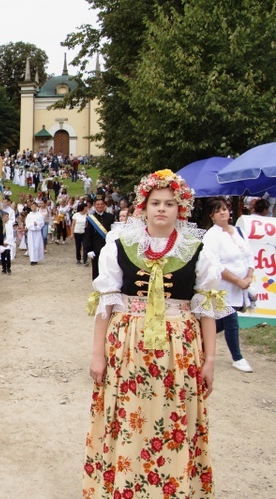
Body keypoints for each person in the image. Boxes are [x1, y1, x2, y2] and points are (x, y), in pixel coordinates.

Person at [84, 170, 225, 497]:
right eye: (155, 202)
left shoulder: (198, 249)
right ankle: (125, 486)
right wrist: (96, 355)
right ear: (143, 207)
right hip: (128, 347)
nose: (162, 209)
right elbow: (105, 306)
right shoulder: (120, 245)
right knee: (130, 417)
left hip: (180, 349)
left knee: (174, 417)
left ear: (181, 209)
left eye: (169, 203)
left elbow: (206, 310)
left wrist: (211, 360)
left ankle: (173, 487)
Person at [202, 197, 254, 373]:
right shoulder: (212, 236)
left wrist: (248, 276)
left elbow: (249, 256)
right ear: (212, 216)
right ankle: (237, 357)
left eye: (224, 209)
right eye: (218, 211)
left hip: (240, 286)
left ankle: (200, 340)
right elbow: (215, 263)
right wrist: (237, 280)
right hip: (222, 286)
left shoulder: (238, 231)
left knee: (222, 323)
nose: (223, 213)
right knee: (231, 319)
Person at [85, 194, 115, 280]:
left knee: (108, 268)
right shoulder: (90, 218)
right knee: (96, 268)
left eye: (101, 204)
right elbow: (88, 235)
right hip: (96, 248)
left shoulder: (110, 217)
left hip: (108, 247)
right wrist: (89, 249)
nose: (100, 206)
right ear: (94, 205)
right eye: (98, 204)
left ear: (104, 205)